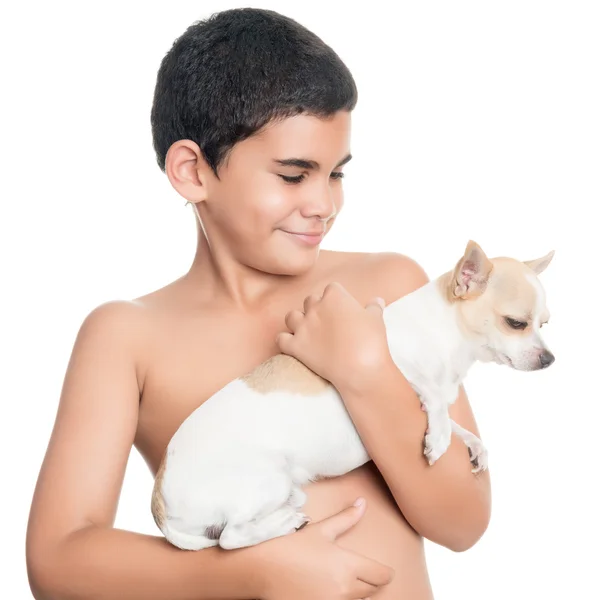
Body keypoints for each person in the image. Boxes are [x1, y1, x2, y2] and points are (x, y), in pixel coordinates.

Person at [25, 7, 491, 600]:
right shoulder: (127, 336)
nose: (323, 203)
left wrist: (367, 372)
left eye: (336, 174)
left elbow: (464, 522)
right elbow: (58, 558)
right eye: (294, 176)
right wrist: (251, 572)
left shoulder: (389, 286)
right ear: (192, 171)